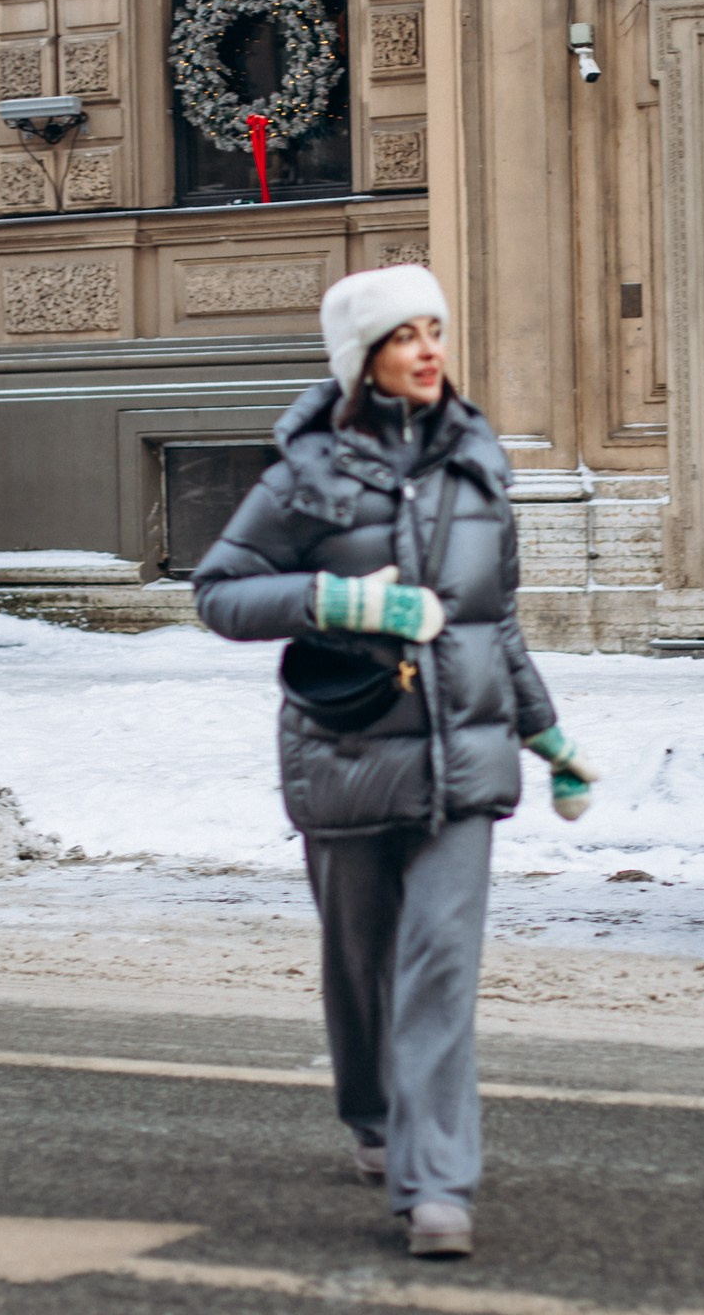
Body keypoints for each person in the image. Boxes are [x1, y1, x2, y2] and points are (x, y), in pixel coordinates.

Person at [192, 264, 597, 1260]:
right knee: (362, 961)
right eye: (404, 334)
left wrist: (549, 740)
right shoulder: (307, 475)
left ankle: (436, 1184)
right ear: (361, 359)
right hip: (349, 751)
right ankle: (373, 1114)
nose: (428, 349)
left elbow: (495, 626)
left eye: (436, 329)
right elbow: (219, 593)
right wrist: (340, 602)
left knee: (439, 966)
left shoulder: (480, 465)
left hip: (465, 757)